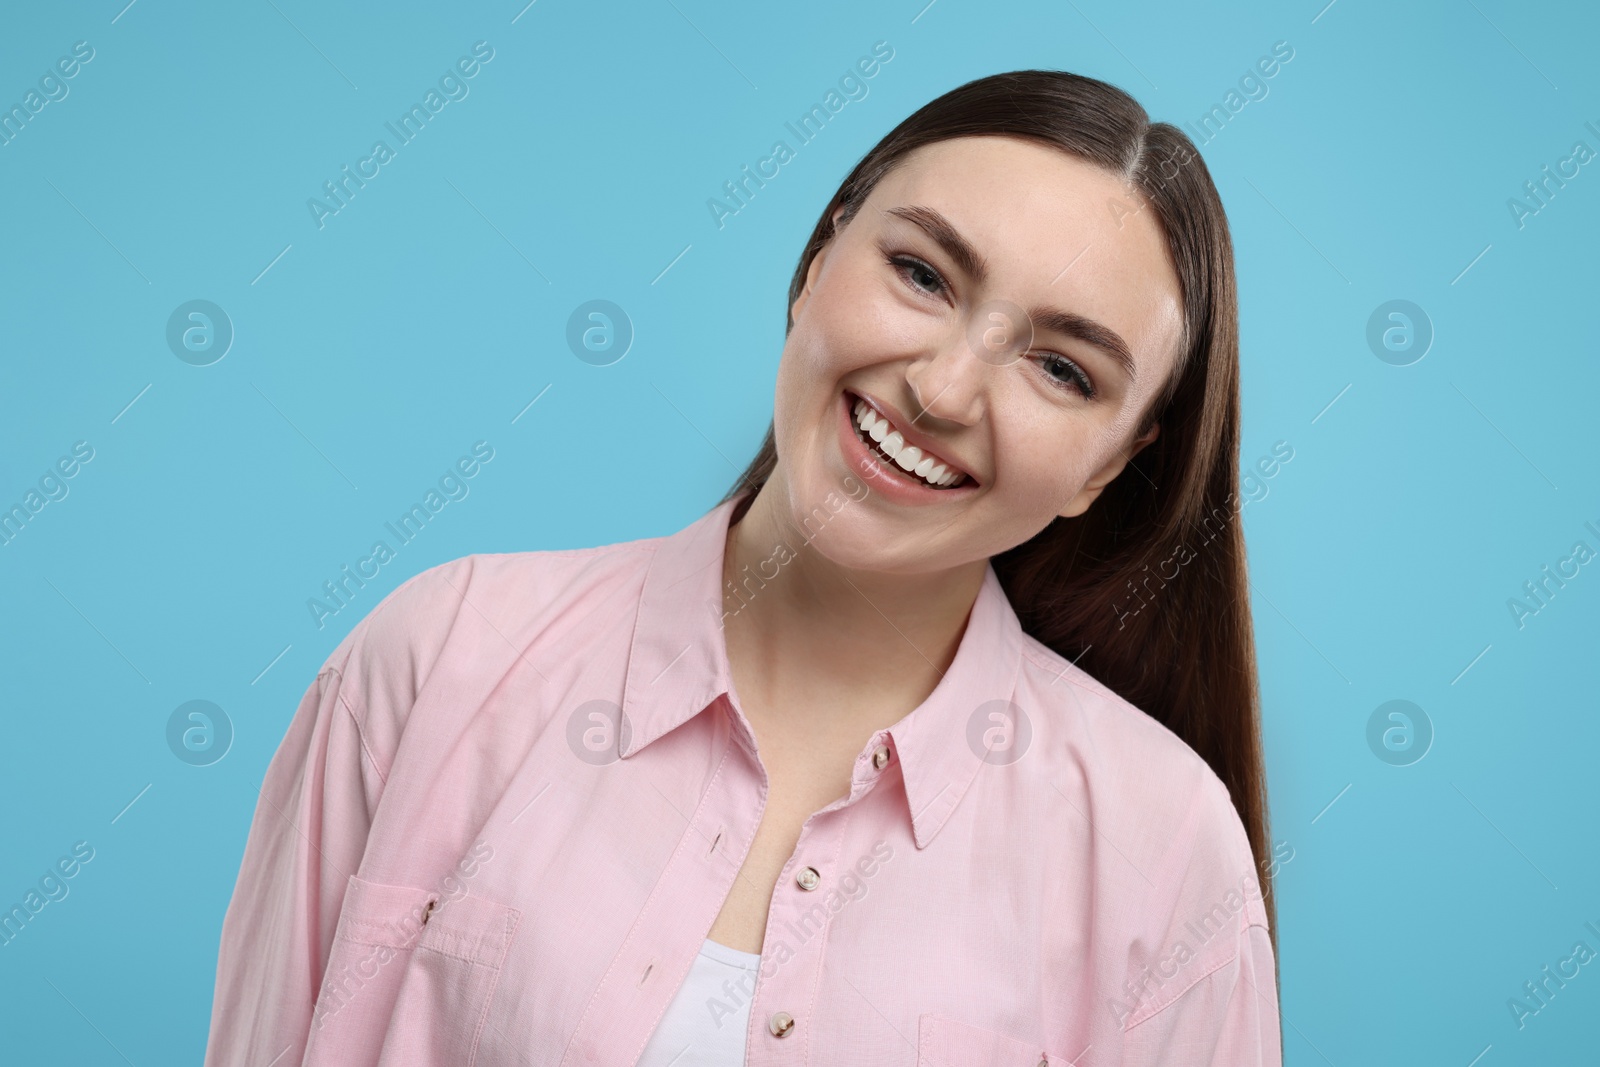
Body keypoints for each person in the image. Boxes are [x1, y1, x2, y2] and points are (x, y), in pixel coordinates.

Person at [203, 69, 1282, 1066]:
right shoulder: (439, 656)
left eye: (1059, 367)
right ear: (819, 258)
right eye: (920, 272)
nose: (945, 391)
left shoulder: (1166, 850)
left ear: (1110, 464)